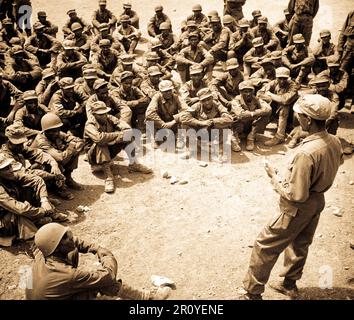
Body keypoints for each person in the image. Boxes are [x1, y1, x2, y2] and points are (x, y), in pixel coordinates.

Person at [242, 94, 343, 300]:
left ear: (307, 119)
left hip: (297, 206)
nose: (297, 119)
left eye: (299, 116)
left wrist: (275, 178)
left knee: (265, 245)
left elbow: (296, 195)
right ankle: (289, 284)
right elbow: (336, 164)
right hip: (317, 201)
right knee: (300, 242)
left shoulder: (306, 152)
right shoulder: (333, 140)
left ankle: (252, 294)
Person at [27, 223, 171, 299]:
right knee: (103, 284)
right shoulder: (69, 275)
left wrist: (94, 248)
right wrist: (105, 254)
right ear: (56, 248)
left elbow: (75, 242)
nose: (71, 237)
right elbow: (108, 276)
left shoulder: (42, 253)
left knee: (73, 252)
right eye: (65, 237)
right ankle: (149, 298)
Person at [84, 101, 152, 193]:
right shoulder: (90, 124)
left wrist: (117, 138)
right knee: (101, 143)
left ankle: (134, 164)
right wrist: (118, 135)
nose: (103, 116)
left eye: (104, 113)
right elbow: (99, 138)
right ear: (93, 114)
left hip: (109, 149)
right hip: (94, 156)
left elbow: (127, 129)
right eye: (100, 115)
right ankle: (108, 177)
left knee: (128, 136)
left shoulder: (110, 118)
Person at [0, 156, 66, 247]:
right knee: (20, 214)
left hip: (13, 210)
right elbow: (19, 209)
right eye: (6, 169)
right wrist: (42, 211)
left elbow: (37, 180)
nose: (11, 170)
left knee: (30, 189)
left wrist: (44, 200)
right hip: (4, 222)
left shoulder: (11, 176)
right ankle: (36, 246)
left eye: (10, 166)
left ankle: (39, 219)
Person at [31, 113, 84, 192]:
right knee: (57, 159)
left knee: (74, 152)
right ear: (46, 131)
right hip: (38, 166)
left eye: (58, 130)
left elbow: (77, 140)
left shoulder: (57, 133)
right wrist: (71, 147)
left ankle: (68, 178)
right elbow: (60, 158)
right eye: (53, 131)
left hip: (54, 160)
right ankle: (58, 186)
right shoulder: (41, 141)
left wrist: (75, 145)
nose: (57, 133)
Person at [259, 67, 298, 146]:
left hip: (292, 115)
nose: (282, 81)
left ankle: (280, 136)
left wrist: (270, 94)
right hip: (277, 112)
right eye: (280, 78)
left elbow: (284, 100)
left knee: (284, 106)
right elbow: (259, 93)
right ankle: (254, 129)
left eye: (284, 79)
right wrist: (271, 99)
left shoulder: (293, 86)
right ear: (276, 77)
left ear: (288, 78)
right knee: (264, 104)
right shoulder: (274, 82)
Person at [230, 80, 271, 152]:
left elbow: (268, 109)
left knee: (266, 116)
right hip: (237, 125)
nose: (248, 94)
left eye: (250, 91)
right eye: (245, 91)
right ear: (241, 92)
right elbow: (241, 115)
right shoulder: (236, 100)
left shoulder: (256, 99)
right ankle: (234, 138)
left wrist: (253, 114)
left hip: (248, 125)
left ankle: (251, 137)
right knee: (236, 118)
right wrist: (255, 114)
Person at [337, 10, 354, 113]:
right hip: (349, 48)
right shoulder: (351, 14)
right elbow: (343, 33)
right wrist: (339, 49)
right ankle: (339, 101)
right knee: (342, 73)